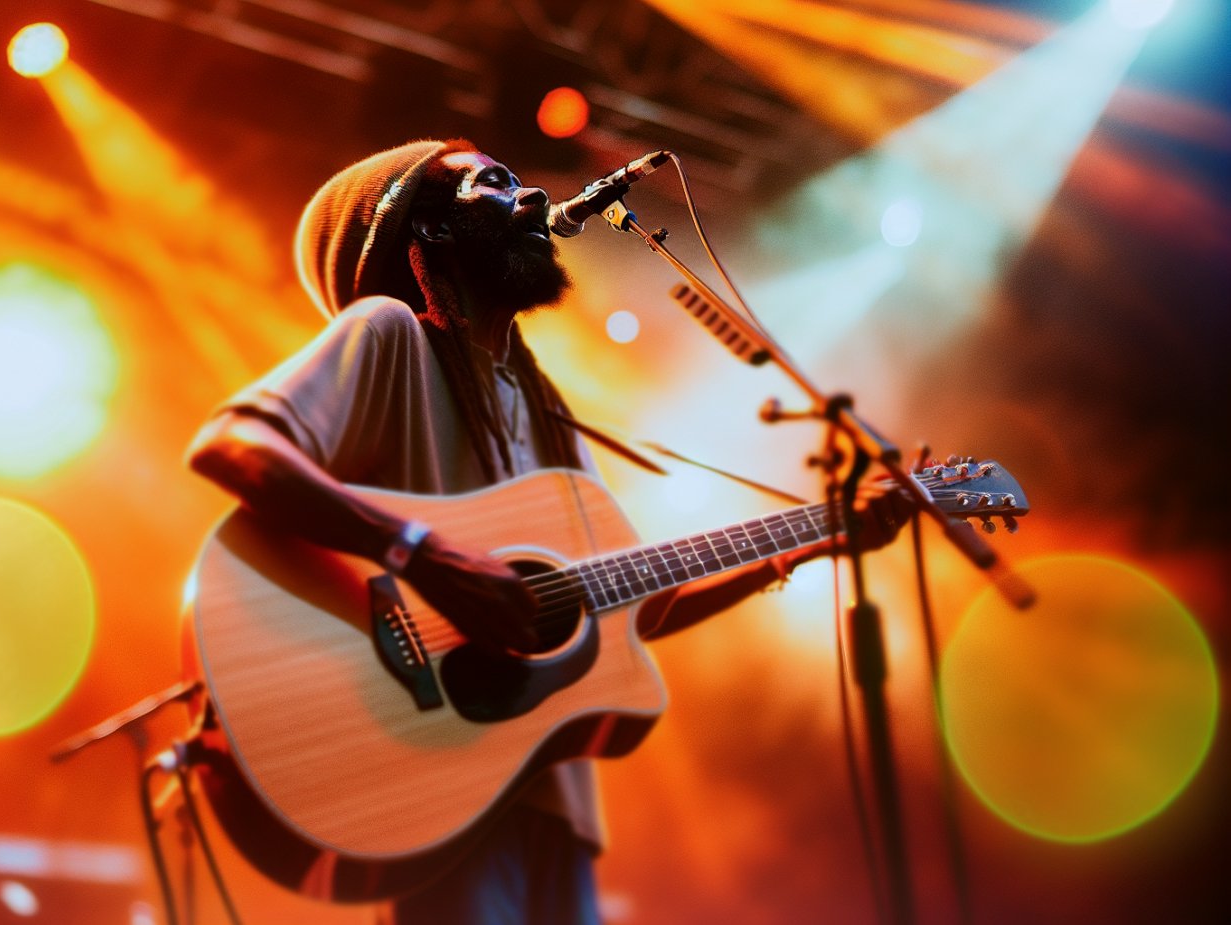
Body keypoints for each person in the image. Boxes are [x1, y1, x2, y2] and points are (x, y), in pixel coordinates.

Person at [185, 139, 908, 925]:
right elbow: (233, 445)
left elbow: (635, 604)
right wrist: (421, 554)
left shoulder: (545, 403)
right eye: (493, 184)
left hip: (545, 795)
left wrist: (811, 541)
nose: (531, 197)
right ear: (430, 230)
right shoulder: (389, 335)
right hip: (431, 775)